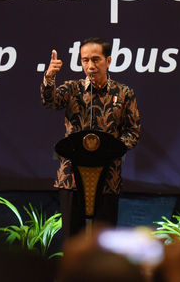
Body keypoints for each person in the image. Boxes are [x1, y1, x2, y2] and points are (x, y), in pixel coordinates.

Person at [41, 37, 141, 238]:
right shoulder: (72, 89)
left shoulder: (123, 93)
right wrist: (50, 77)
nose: (90, 65)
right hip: (71, 178)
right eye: (85, 60)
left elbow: (133, 131)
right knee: (73, 240)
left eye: (96, 59)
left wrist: (111, 149)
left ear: (109, 61)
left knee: (104, 241)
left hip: (108, 178)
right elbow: (50, 102)